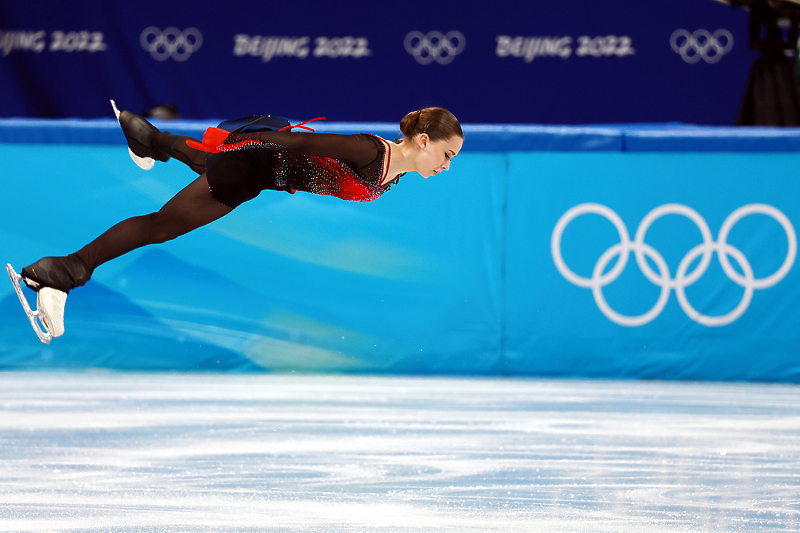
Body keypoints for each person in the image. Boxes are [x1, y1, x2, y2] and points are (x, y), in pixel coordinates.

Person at [14, 102, 464, 339]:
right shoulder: (372, 153)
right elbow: (306, 146)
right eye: (446, 155)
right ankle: (63, 271)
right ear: (423, 141)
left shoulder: (394, 174)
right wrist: (239, 146)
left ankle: (146, 137)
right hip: (254, 165)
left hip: (260, 173)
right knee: (162, 225)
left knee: (200, 164)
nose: (447, 166)